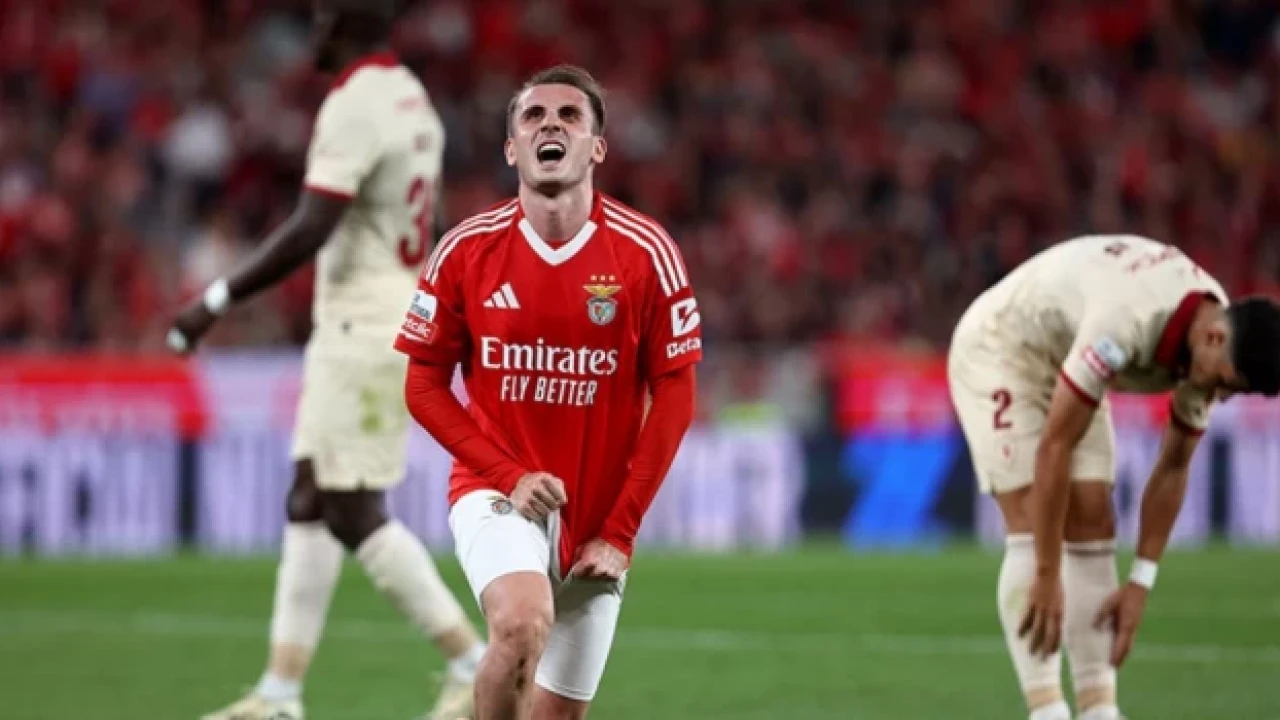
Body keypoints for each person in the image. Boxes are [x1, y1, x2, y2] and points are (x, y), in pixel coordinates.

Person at [167, 2, 485, 718]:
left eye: (317, 17)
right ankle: (280, 692)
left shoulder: (354, 103)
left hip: (362, 327)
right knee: (310, 497)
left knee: (349, 505)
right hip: (384, 317)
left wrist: (215, 299)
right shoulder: (413, 99)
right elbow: (431, 224)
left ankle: (475, 663)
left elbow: (314, 223)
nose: (310, 31)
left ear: (343, 23)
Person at [394, 64, 701, 720]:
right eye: (533, 116)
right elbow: (422, 385)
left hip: (598, 517)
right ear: (512, 148)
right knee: (520, 623)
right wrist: (507, 475)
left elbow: (675, 395)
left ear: (597, 147)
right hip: (496, 492)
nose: (550, 125)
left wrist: (620, 531)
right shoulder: (465, 250)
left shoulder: (646, 253)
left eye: (569, 115)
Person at [947, 234, 1280, 720]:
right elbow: (1055, 446)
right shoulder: (1126, 321)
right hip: (1004, 348)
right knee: (1032, 520)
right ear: (1213, 338)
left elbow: (1174, 464)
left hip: (1069, 354)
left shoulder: (1213, 338)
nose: (1222, 397)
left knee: (1093, 519)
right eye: (1227, 384)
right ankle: (1047, 710)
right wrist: (1047, 574)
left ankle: (1100, 711)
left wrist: (1141, 582)